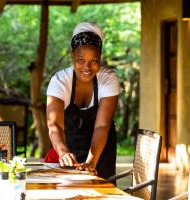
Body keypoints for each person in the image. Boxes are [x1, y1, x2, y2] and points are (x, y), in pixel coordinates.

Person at [45, 22, 120, 179]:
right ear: (72, 56)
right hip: (68, 146)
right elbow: (55, 124)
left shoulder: (108, 80)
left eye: (94, 60)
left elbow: (102, 126)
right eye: (81, 60)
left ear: (100, 58)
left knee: (100, 191)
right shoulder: (60, 81)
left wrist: (91, 162)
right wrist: (63, 151)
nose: (87, 67)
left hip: (100, 148)